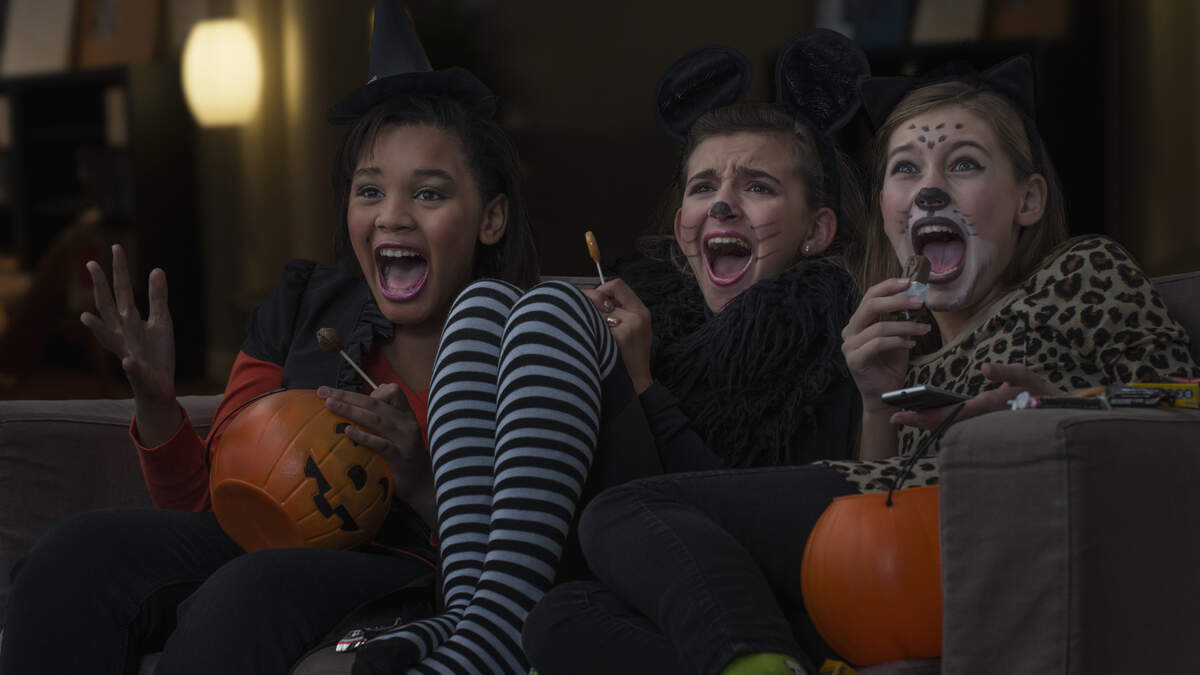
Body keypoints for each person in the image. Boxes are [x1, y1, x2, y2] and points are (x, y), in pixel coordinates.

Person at [523, 55, 1200, 675]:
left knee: (624, 511)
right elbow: (875, 505)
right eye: (905, 170)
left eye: (963, 165)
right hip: (881, 567)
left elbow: (1183, 406)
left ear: (1029, 200)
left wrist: (1057, 407)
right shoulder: (896, 341)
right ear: (885, 208)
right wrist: (877, 398)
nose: (928, 192)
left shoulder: (1082, 271)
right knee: (564, 616)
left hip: (988, 537)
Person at [0, 6, 539, 673]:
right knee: (71, 557)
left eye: (428, 195)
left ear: (490, 218)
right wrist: (158, 401)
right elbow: (211, 509)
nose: (392, 216)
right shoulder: (303, 305)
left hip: (410, 572)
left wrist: (421, 480)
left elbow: (515, 568)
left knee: (246, 591)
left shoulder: (528, 346)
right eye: (370, 190)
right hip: (257, 553)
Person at [346, 29, 869, 675]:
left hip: (719, 582)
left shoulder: (828, 336)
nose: (722, 204)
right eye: (702, 186)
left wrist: (644, 384)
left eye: (757, 186)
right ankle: (472, 609)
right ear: (681, 228)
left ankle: (495, 632)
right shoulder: (659, 314)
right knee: (482, 305)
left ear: (816, 230)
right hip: (584, 558)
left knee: (550, 305)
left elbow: (741, 521)